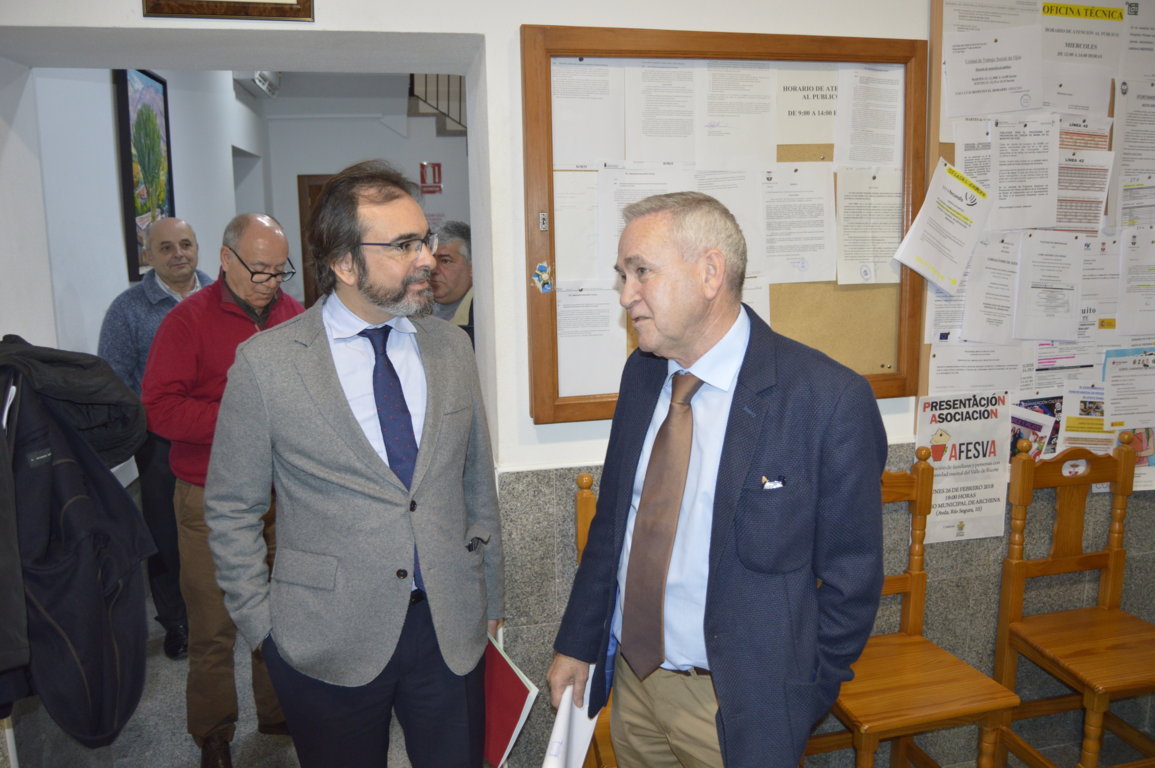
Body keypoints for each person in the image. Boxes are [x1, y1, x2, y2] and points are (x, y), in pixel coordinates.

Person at [547, 192, 887, 767]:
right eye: (623, 275)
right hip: (633, 688)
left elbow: (852, 579)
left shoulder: (826, 400)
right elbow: (614, 524)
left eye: (642, 271)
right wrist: (578, 644)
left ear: (710, 273)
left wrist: (798, 697)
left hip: (735, 708)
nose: (626, 294)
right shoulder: (643, 375)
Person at [204, 160, 503, 768]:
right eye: (404, 245)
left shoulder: (451, 347)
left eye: (426, 239)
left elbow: (477, 482)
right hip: (325, 638)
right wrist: (264, 630)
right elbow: (232, 508)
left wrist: (490, 602)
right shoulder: (267, 364)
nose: (427, 258)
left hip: (448, 631)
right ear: (344, 264)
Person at [141, 213, 304, 768]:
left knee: (279, 612)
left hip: (282, 495)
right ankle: (213, 733)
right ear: (226, 259)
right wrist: (243, 420)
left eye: (279, 270)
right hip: (208, 496)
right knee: (213, 625)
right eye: (258, 269)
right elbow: (159, 408)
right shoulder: (186, 321)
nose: (269, 282)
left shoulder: (293, 314)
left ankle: (278, 713)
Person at [98, 217, 213, 662]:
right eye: (166, 247)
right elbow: (114, 378)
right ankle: (177, 621)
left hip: (222, 433)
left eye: (185, 244)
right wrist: (153, 421)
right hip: (162, 441)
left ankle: (224, 610)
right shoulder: (128, 310)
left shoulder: (221, 296)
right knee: (167, 534)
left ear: (198, 247)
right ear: (148, 255)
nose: (178, 253)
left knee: (226, 523)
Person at [430, 220, 474, 344]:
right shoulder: (413, 310)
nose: (433, 269)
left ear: (472, 268)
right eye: (431, 260)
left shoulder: (481, 318)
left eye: (445, 261)